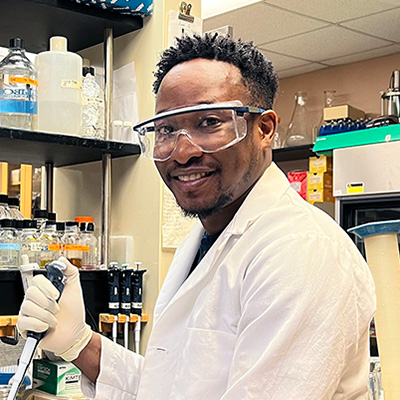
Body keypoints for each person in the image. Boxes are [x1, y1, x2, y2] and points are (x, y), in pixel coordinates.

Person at [18, 34, 376, 399]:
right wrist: (80, 344)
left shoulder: (302, 251)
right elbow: (172, 385)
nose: (183, 151)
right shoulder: (208, 238)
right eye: (166, 130)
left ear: (264, 129)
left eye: (209, 122)